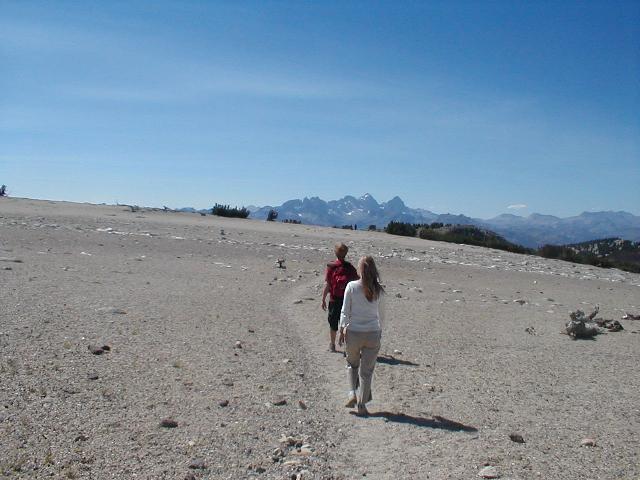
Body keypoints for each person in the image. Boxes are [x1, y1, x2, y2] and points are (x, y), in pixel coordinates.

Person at [338, 256, 385, 416]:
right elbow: (382, 316)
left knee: (352, 364)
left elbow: (345, 311)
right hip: (372, 333)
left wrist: (341, 329)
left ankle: (351, 393)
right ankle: (362, 405)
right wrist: (380, 332)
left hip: (353, 332)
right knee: (367, 371)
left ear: (359, 269)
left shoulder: (351, 286)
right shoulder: (379, 290)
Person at [321, 242, 359, 352]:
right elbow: (356, 283)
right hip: (347, 300)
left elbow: (327, 284)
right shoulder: (350, 268)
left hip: (334, 299)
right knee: (346, 323)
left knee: (333, 323)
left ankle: (332, 345)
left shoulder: (331, 267)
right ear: (346, 253)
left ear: (335, 253)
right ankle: (347, 347)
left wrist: (323, 298)